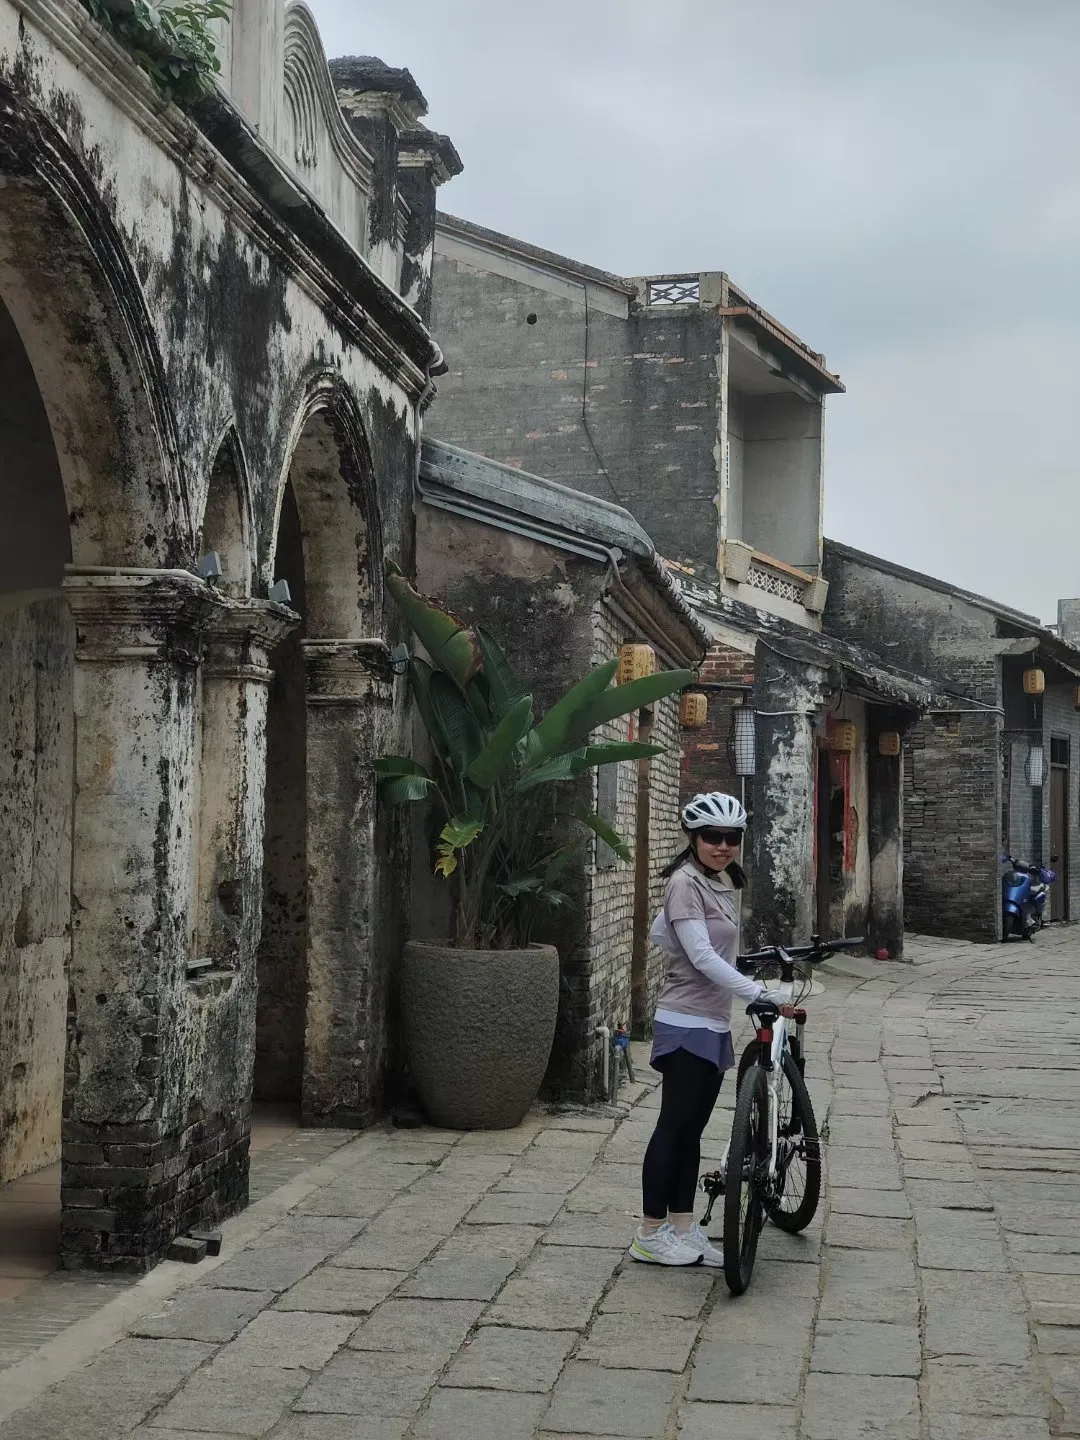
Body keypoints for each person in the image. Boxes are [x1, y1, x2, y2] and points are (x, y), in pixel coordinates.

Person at [628, 791, 789, 1267]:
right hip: (685, 1023)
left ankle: (682, 1227)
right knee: (673, 1128)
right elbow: (700, 955)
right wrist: (757, 992)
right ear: (693, 838)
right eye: (711, 837)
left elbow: (673, 937)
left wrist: (749, 976)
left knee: (692, 1132)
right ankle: (649, 1234)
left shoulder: (718, 882)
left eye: (731, 837)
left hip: (712, 1022)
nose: (722, 845)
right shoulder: (684, 883)